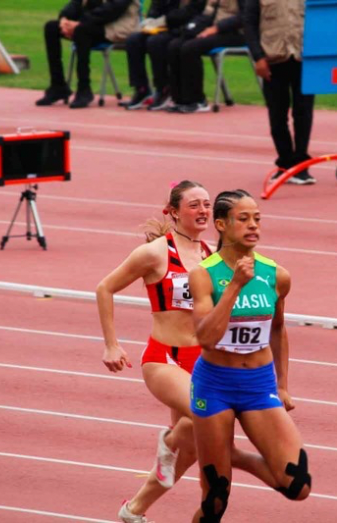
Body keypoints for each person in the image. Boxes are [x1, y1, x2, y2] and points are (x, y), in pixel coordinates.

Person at [96, 181, 273, 523]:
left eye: (207, 205)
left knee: (201, 464)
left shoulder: (211, 255)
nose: (203, 211)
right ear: (174, 212)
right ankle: (167, 443)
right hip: (164, 358)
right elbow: (105, 288)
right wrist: (111, 344)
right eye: (194, 205)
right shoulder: (155, 253)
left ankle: (133, 511)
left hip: (205, 363)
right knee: (204, 413)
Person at [188, 190, 311, 522]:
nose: (253, 225)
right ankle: (221, 457)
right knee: (215, 499)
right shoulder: (204, 274)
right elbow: (206, 338)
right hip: (215, 384)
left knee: (297, 484)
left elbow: (279, 328)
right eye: (243, 219)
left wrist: (283, 385)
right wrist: (234, 287)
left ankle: (231, 455)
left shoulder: (276, 275)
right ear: (221, 225)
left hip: (258, 384)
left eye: (257, 218)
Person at [244, 0, 316, 185]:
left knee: (304, 112)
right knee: (277, 114)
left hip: (304, 58)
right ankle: (284, 163)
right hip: (273, 59)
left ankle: (301, 165)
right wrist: (258, 57)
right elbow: (249, 24)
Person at [36, 0, 140, 109]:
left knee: (82, 31)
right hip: (93, 24)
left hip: (119, 26)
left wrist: (80, 23)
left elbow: (113, 10)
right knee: (51, 27)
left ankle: (84, 88)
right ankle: (58, 86)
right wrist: (64, 18)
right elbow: (76, 4)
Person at [123, 0, 207, 110]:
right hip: (163, 27)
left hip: (184, 29)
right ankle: (141, 89)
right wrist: (151, 20)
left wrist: (165, 20)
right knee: (133, 40)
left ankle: (163, 88)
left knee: (155, 42)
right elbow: (155, 8)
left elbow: (191, 12)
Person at [166, 0, 246, 113]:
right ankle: (179, 99)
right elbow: (207, 13)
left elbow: (245, 16)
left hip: (235, 33)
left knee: (190, 48)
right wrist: (192, 28)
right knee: (174, 45)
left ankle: (197, 100)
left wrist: (217, 28)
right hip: (211, 29)